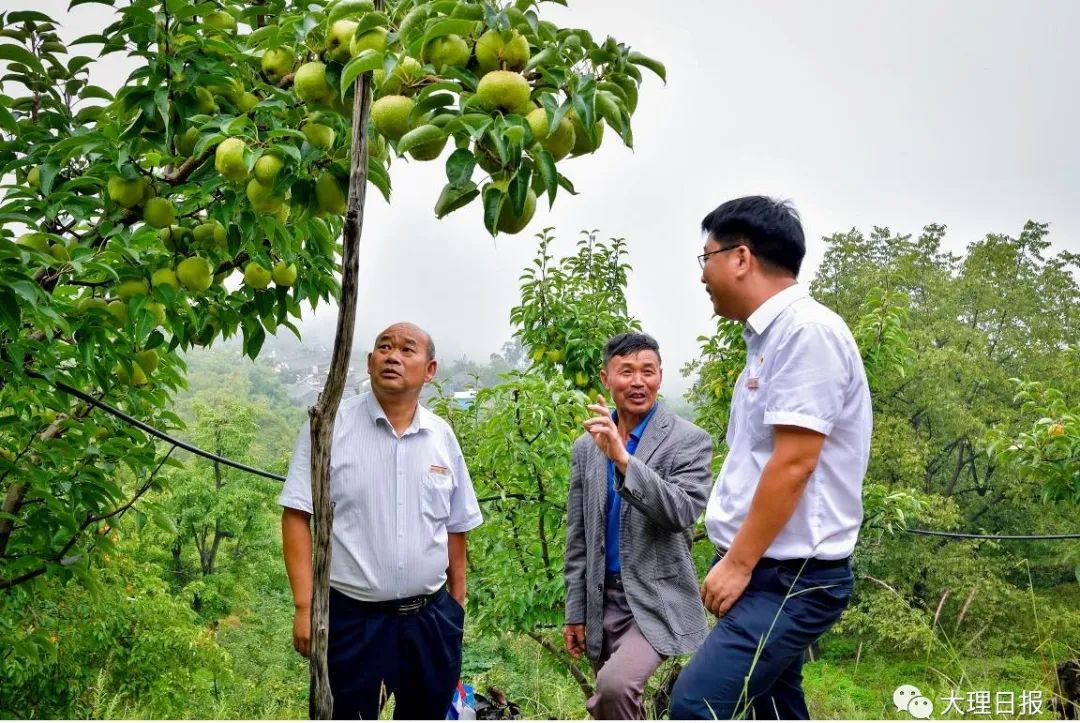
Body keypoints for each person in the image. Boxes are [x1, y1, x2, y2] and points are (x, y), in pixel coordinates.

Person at [670, 196, 873, 720]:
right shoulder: (767, 339)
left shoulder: (808, 333)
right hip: (765, 571)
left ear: (741, 257)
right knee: (775, 708)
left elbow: (795, 463)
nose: (703, 276)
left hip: (791, 578)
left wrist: (737, 564)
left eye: (706, 258)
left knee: (695, 705)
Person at [278, 322, 483, 720]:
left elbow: (457, 526)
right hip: (352, 620)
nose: (393, 355)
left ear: (430, 370)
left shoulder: (441, 436)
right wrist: (304, 606)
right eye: (384, 347)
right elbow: (296, 514)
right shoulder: (329, 426)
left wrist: (456, 607)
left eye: (408, 350)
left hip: (430, 620)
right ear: (370, 362)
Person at [564, 332, 714, 719]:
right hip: (602, 600)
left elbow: (683, 511)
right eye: (626, 371)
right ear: (605, 378)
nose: (638, 381)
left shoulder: (688, 441)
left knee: (614, 688)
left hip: (655, 598)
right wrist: (575, 612)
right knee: (613, 706)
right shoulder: (586, 446)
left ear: (660, 377)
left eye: (648, 371)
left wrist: (624, 460)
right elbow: (578, 538)